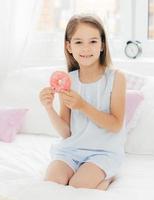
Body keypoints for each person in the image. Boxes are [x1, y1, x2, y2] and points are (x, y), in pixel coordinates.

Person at [39, 14, 126, 191]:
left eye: (93, 41)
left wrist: (82, 105)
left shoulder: (116, 78)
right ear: (68, 46)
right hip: (72, 150)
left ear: (102, 45)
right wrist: (49, 108)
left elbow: (116, 125)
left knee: (78, 186)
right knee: (51, 183)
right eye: (78, 42)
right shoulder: (68, 81)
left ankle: (106, 180)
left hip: (103, 152)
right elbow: (66, 132)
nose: (86, 48)